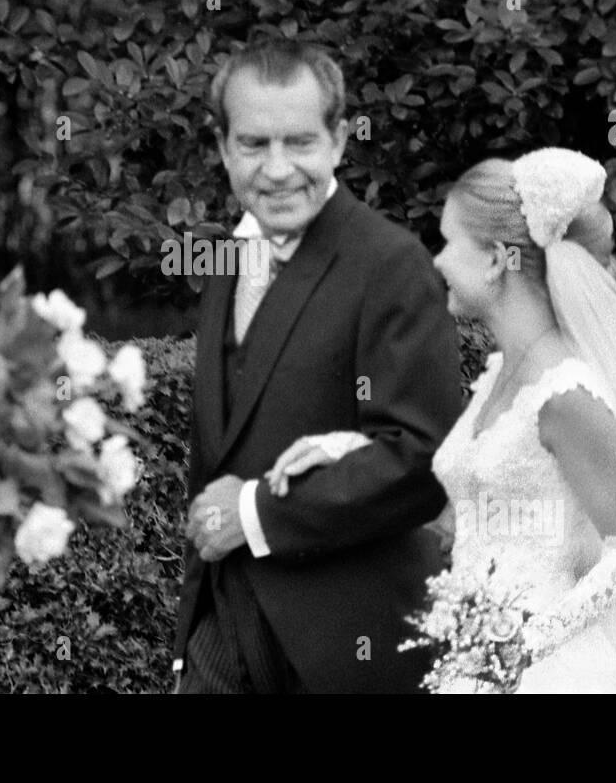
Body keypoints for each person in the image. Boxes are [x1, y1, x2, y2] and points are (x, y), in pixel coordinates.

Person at [267, 147, 616, 692]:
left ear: (499, 258)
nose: (437, 262)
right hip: (475, 662)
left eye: (450, 242)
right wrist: (348, 453)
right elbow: (462, 509)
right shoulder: (501, 373)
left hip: (546, 671)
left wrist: (520, 649)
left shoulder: (567, 395)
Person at [172, 39, 464, 693]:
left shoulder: (390, 263)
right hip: (224, 636)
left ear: (337, 140)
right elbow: (210, 463)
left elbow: (427, 459)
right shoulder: (226, 260)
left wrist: (255, 513)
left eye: (299, 142)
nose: (277, 170)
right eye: (254, 144)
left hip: (349, 650)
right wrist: (185, 646)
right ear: (222, 146)